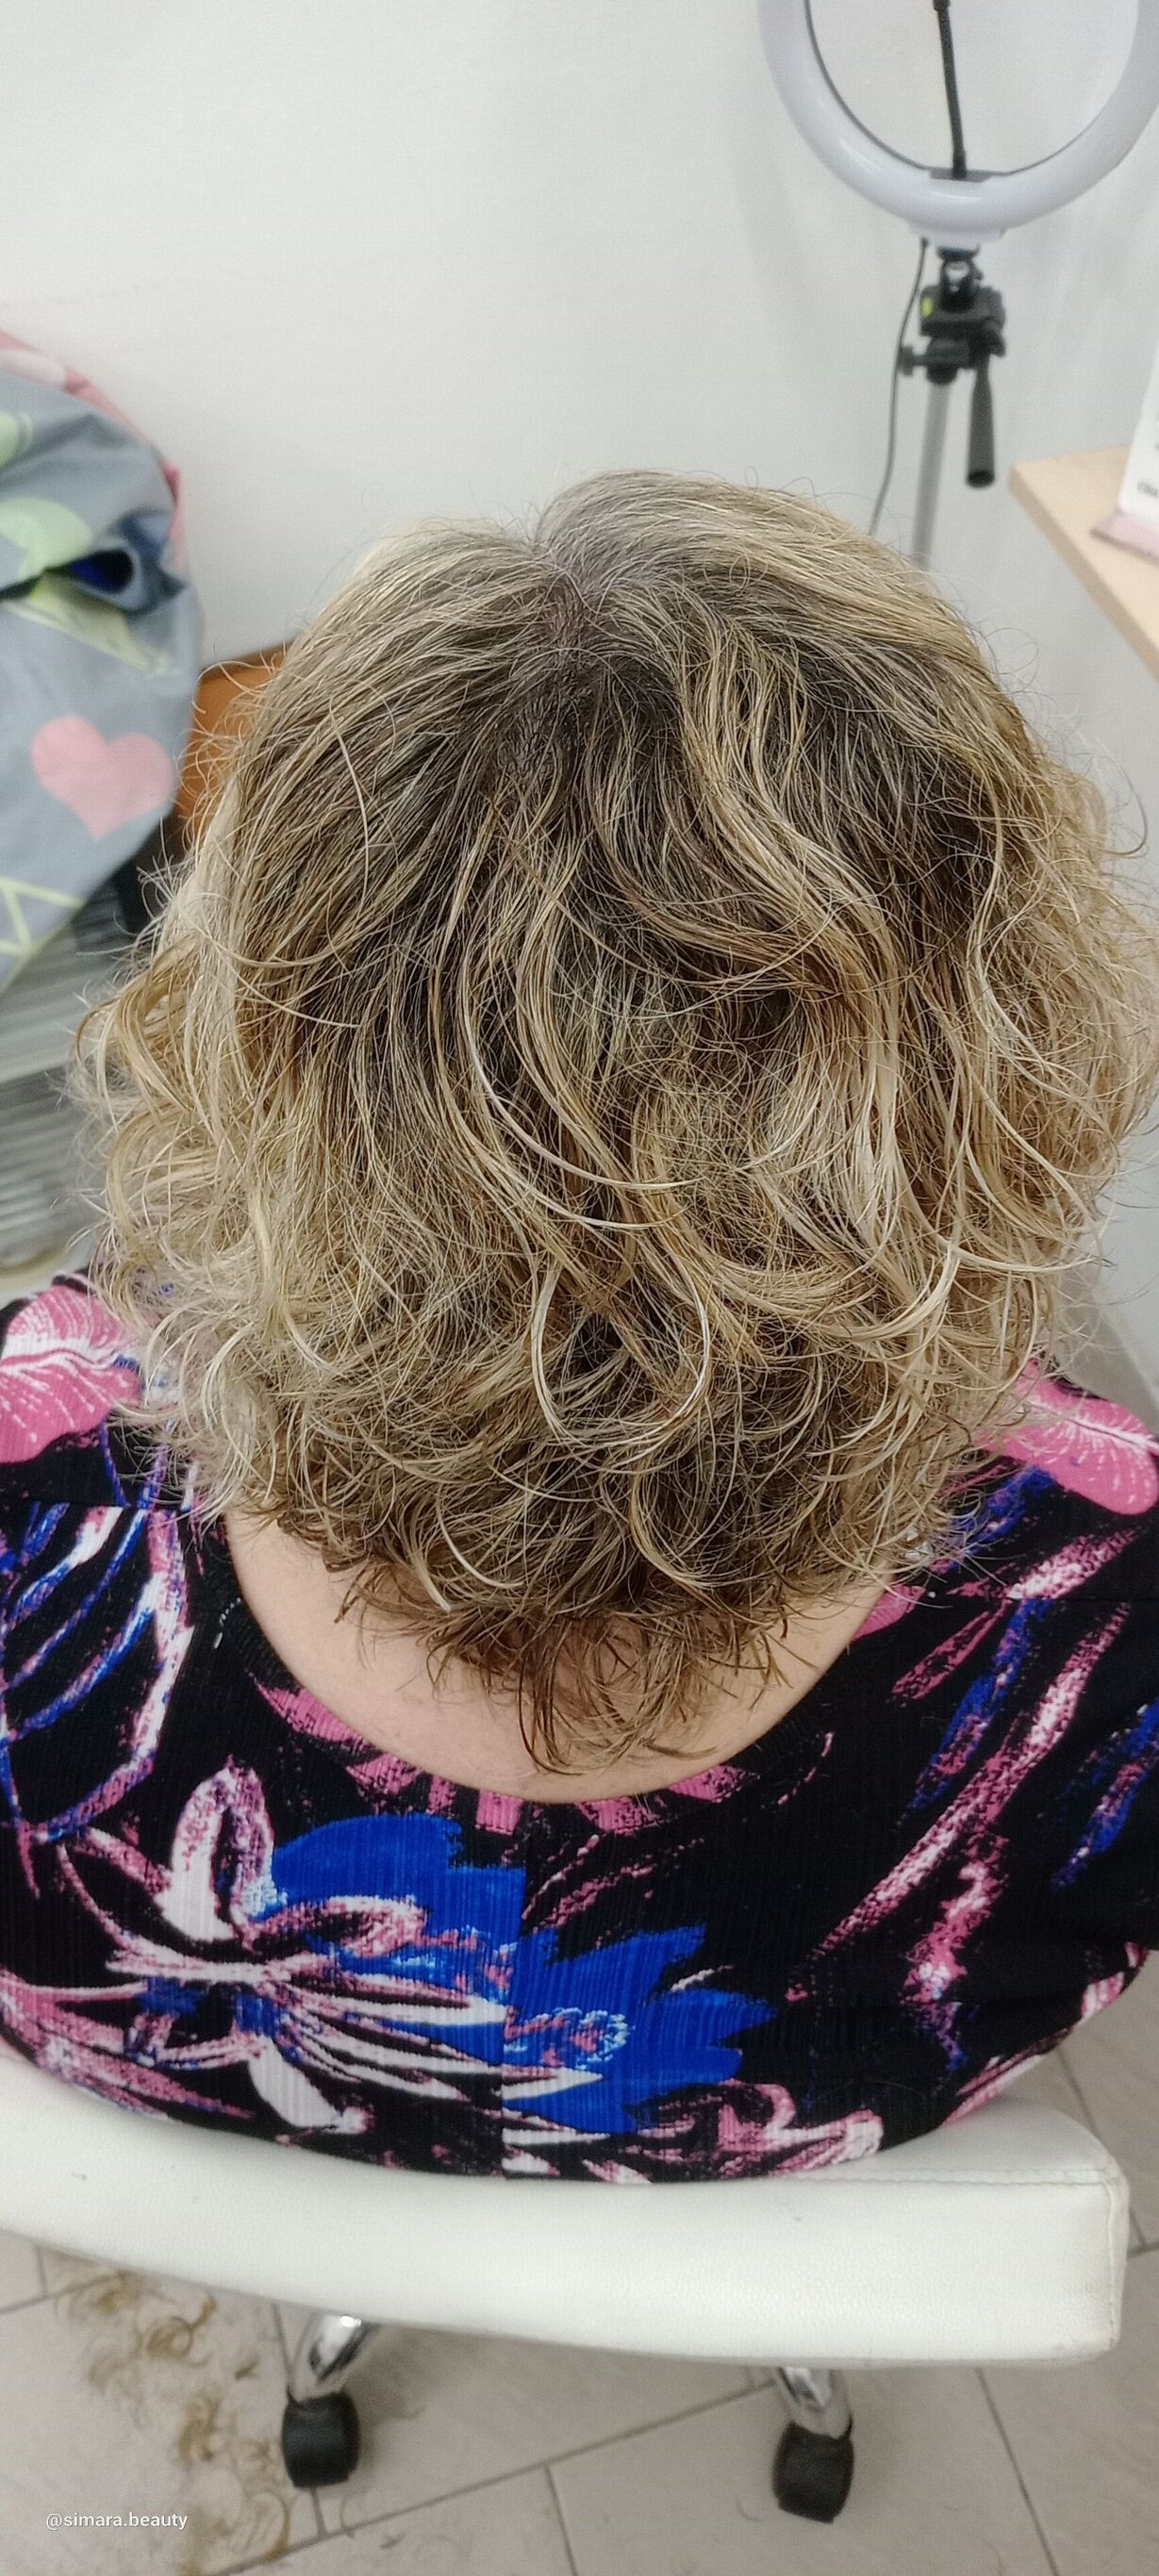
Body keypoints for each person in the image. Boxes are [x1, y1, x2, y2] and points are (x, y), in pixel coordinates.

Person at [3, 468, 1159, 2182]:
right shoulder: (1107, 1607)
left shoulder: (38, 1473)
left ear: (254, 1023)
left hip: (173, 2107)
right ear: (1004, 1052)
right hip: (753, 2145)